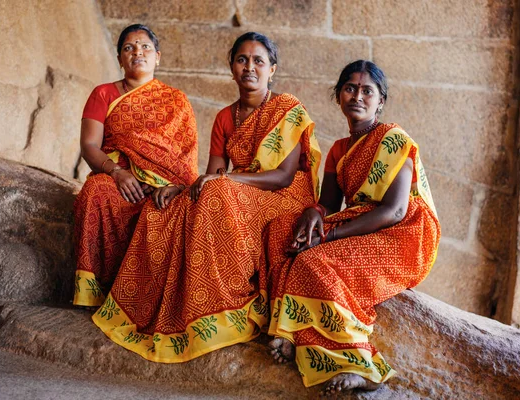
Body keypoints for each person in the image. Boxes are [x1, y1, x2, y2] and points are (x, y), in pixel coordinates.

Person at [92, 32, 322, 362]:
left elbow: (283, 176)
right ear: (231, 69)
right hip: (235, 190)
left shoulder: (288, 108)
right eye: (242, 60)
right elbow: (210, 176)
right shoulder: (226, 117)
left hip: (283, 194)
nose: (250, 67)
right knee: (165, 208)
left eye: (259, 61)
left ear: (273, 68)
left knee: (215, 192)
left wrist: (222, 180)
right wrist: (181, 189)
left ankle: (224, 304)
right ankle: (154, 307)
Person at [265, 60, 440, 395]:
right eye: (350, 88)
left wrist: (329, 235)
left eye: (367, 90)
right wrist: (314, 215)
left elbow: (395, 210)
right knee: (281, 233)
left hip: (403, 234)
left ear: (380, 101)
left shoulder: (394, 140)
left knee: (314, 261)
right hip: (359, 224)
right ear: (339, 97)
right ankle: (290, 331)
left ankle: (361, 365)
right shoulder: (339, 150)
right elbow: (330, 204)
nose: (357, 96)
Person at [73, 24, 198, 307]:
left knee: (183, 209)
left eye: (145, 47)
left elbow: (187, 156)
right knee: (95, 192)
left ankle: (149, 299)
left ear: (158, 57)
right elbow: (90, 145)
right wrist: (117, 173)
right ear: (119, 59)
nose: (137, 52)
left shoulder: (177, 101)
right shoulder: (103, 94)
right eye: (128, 48)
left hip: (165, 184)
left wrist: (175, 186)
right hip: (118, 175)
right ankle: (97, 290)